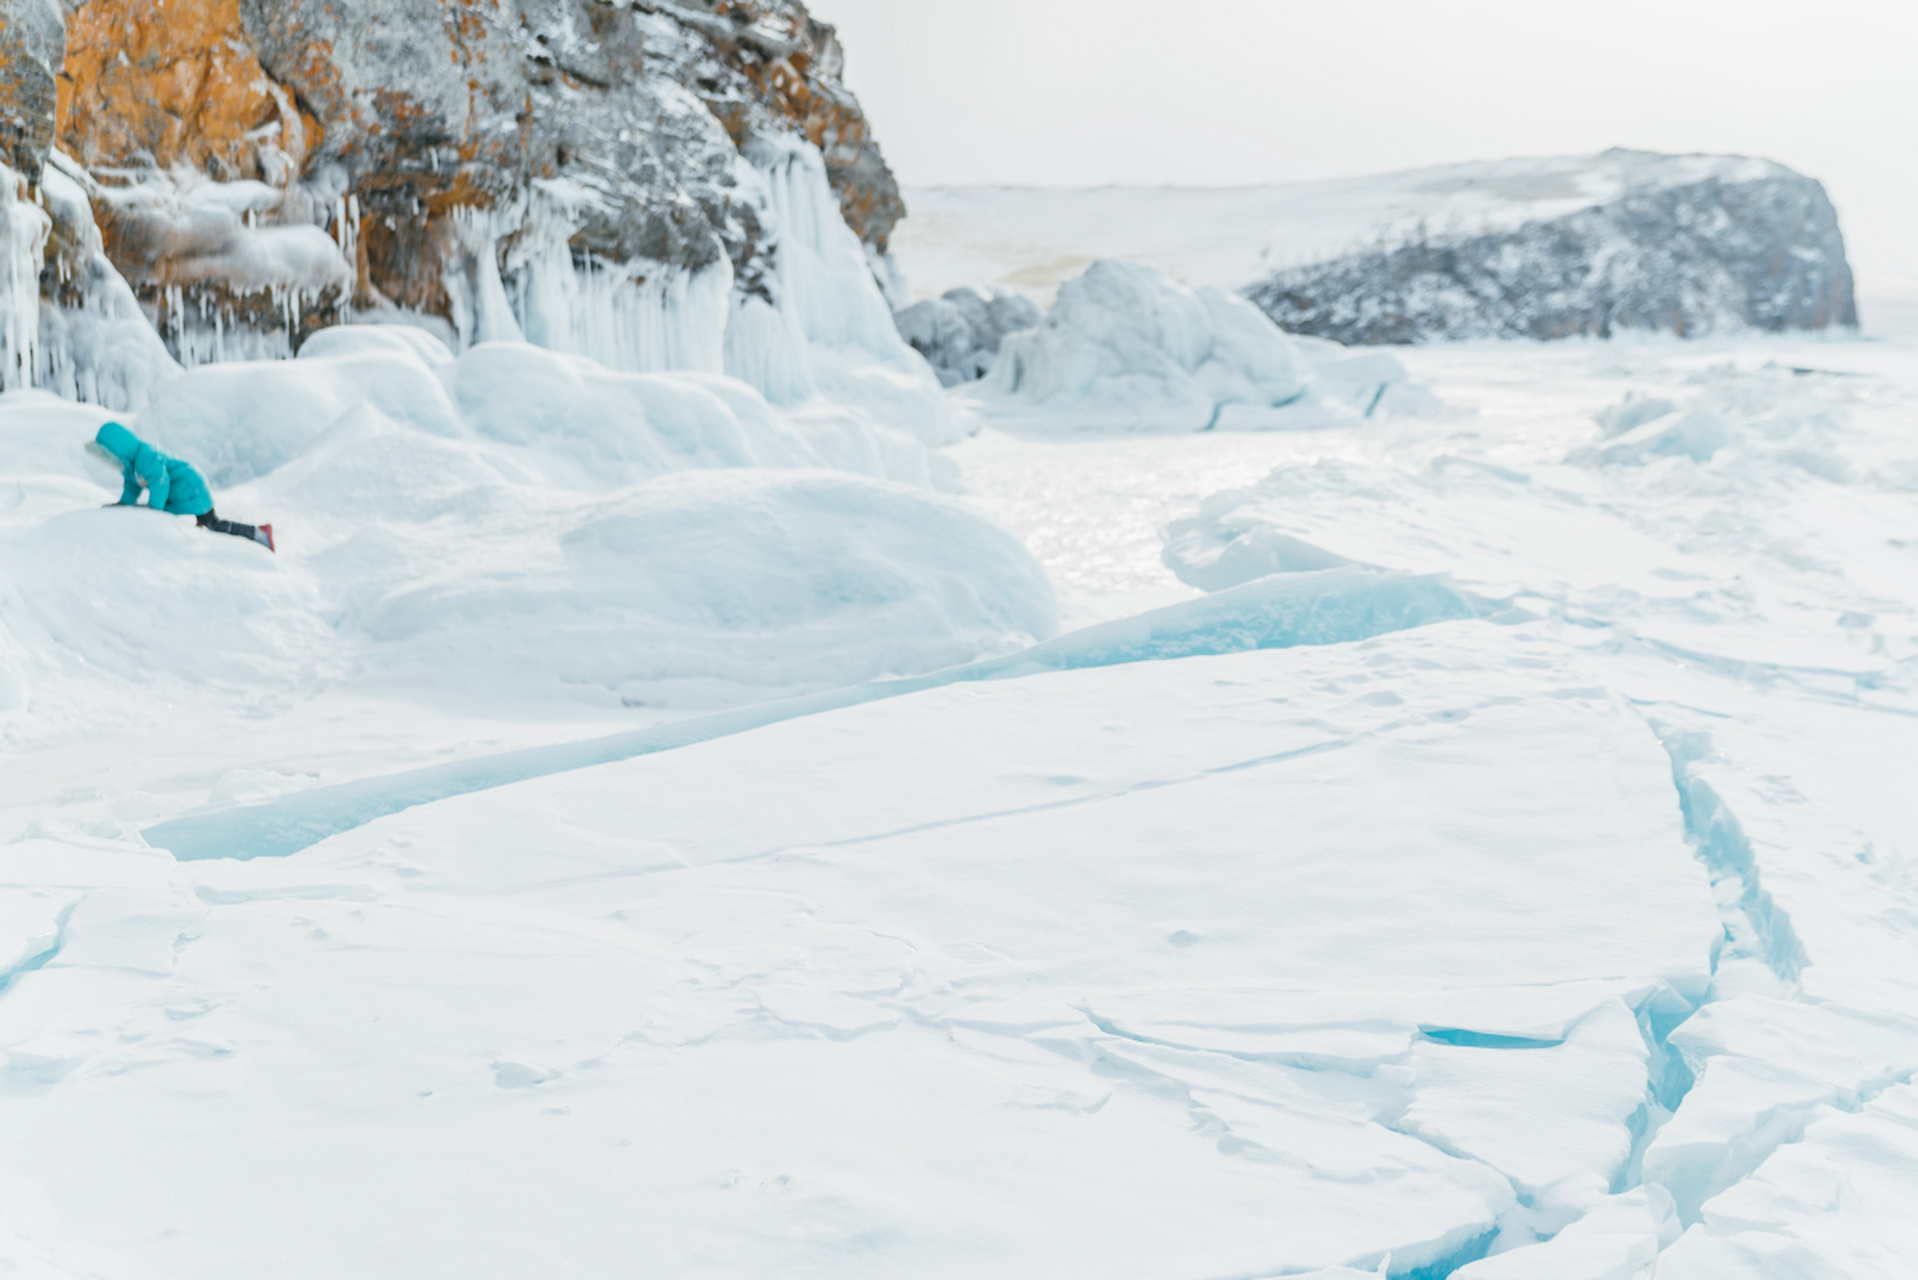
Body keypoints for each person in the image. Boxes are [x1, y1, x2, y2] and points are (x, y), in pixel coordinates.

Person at [87, 423, 274, 552]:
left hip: (192, 487)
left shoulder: (146, 456)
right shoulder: (132, 466)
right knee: (209, 524)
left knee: (212, 523)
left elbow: (160, 482)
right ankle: (256, 534)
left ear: (119, 447)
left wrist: (154, 511)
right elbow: (132, 486)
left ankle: (259, 535)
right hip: (185, 489)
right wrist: (123, 504)